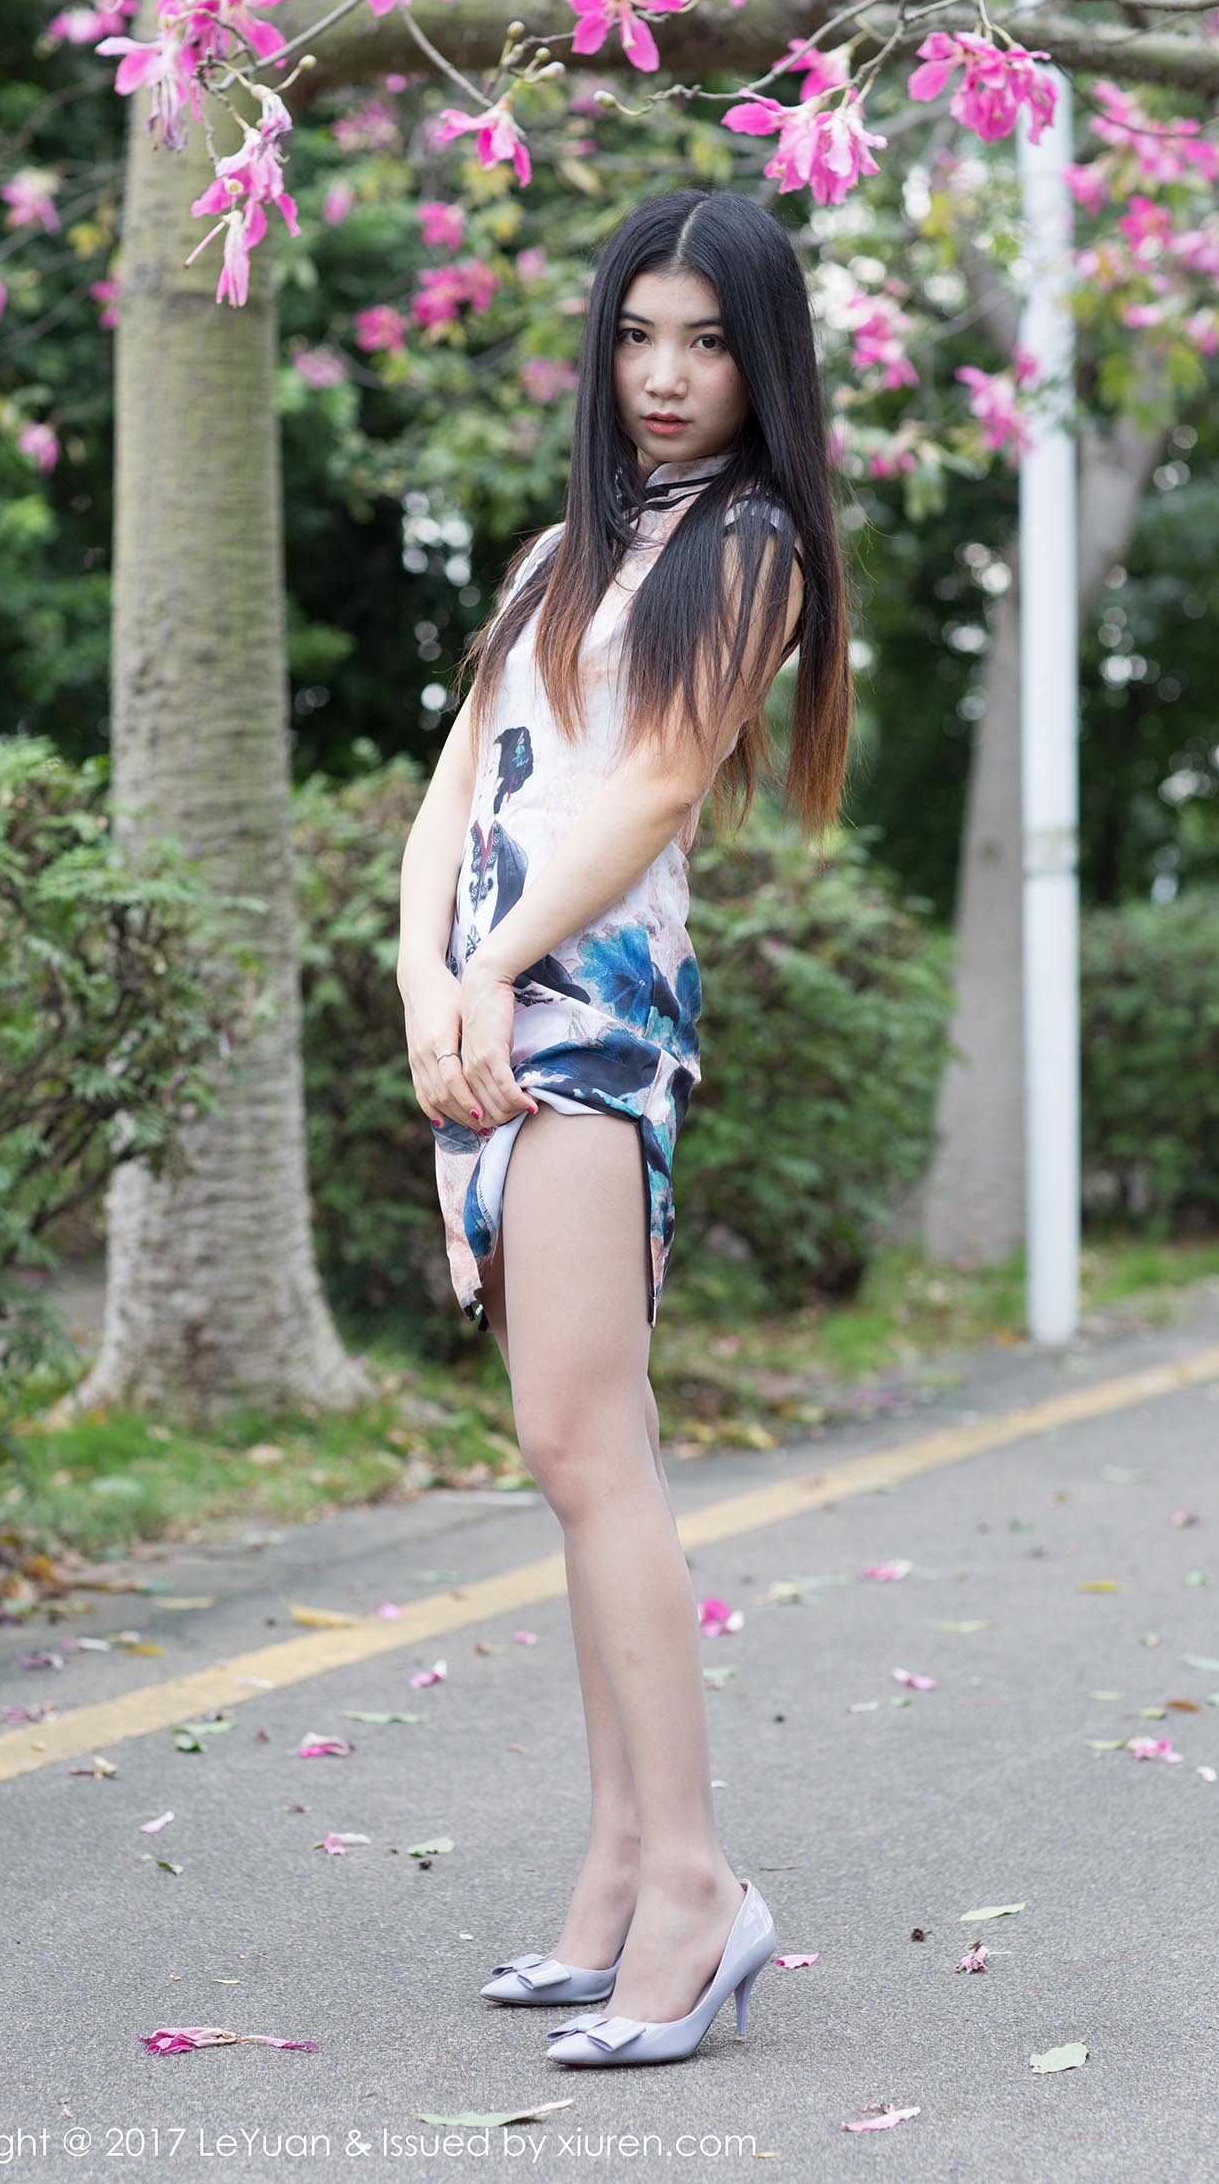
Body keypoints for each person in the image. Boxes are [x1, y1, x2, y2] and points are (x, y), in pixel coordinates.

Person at [396, 188, 854, 2066]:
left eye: (710, 341)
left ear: (764, 362)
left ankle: (694, 1885)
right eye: (641, 335)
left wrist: (496, 967)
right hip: (492, 1012)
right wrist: (426, 983)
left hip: (590, 1018)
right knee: (582, 1447)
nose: (667, 375)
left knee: (590, 1448)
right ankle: (612, 1871)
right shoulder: (555, 553)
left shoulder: (750, 547)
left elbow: (654, 788)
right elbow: (453, 788)